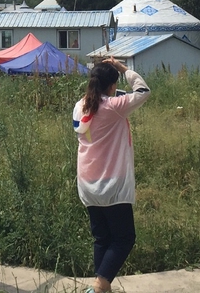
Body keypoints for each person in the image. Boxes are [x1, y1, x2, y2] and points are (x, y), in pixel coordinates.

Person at [72, 58, 150, 293]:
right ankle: (99, 285)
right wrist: (123, 68)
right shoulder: (115, 107)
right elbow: (143, 90)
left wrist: (113, 80)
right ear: (112, 85)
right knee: (125, 237)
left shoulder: (80, 106)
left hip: (87, 182)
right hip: (112, 183)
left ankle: (100, 288)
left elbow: (113, 95)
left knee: (102, 239)